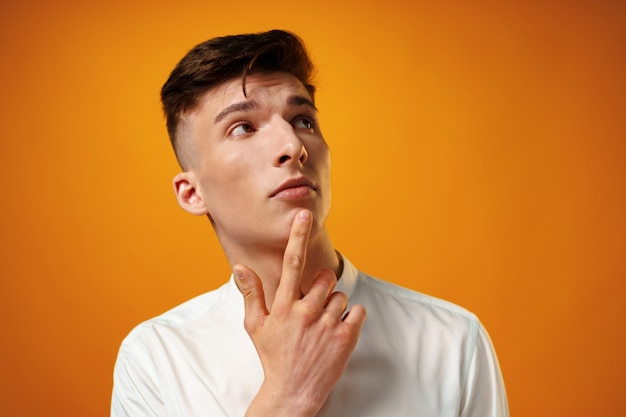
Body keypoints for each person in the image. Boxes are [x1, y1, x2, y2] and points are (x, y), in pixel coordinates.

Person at [111, 29, 509, 417]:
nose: (292, 146)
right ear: (192, 194)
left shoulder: (453, 340)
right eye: (243, 128)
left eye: (303, 120)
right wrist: (285, 398)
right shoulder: (156, 359)